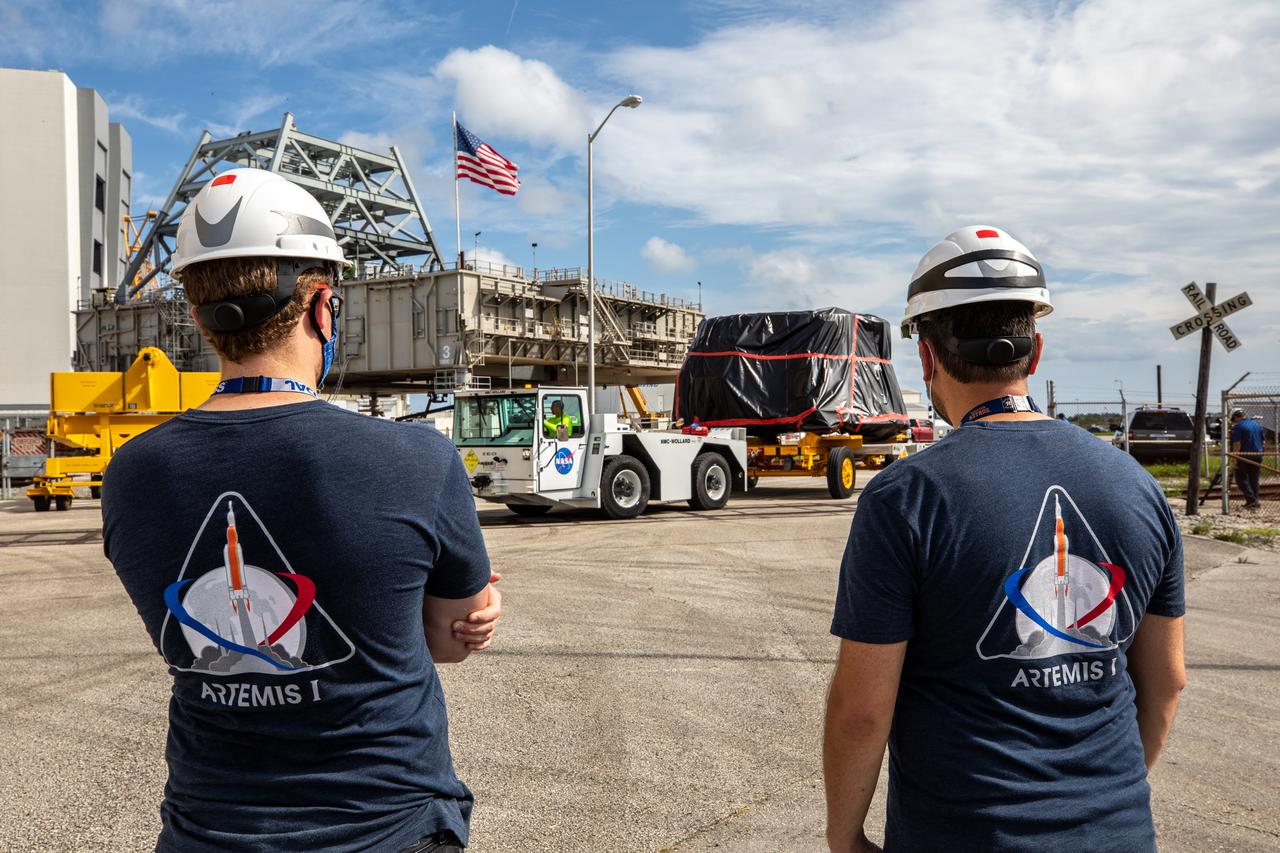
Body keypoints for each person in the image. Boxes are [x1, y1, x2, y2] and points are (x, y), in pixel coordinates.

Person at [102, 168, 502, 853]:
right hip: (385, 828)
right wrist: (475, 615)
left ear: (199, 317)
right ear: (324, 307)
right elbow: (442, 640)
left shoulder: (131, 474)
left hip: (206, 832)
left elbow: (208, 641)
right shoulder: (417, 460)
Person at [823, 226, 1186, 852]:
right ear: (1035, 350)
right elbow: (1168, 679)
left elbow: (862, 710)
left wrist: (843, 836)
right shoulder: (1138, 487)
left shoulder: (904, 498)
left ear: (929, 356)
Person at [1229, 408, 1265, 510]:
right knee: (1254, 479)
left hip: (1244, 456)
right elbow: (1263, 442)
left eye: (1233, 419)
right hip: (1258, 455)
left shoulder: (1238, 427)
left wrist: (1234, 458)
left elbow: (1237, 444)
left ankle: (1251, 500)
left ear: (1236, 417)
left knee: (1241, 479)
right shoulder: (1257, 424)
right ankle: (1254, 501)